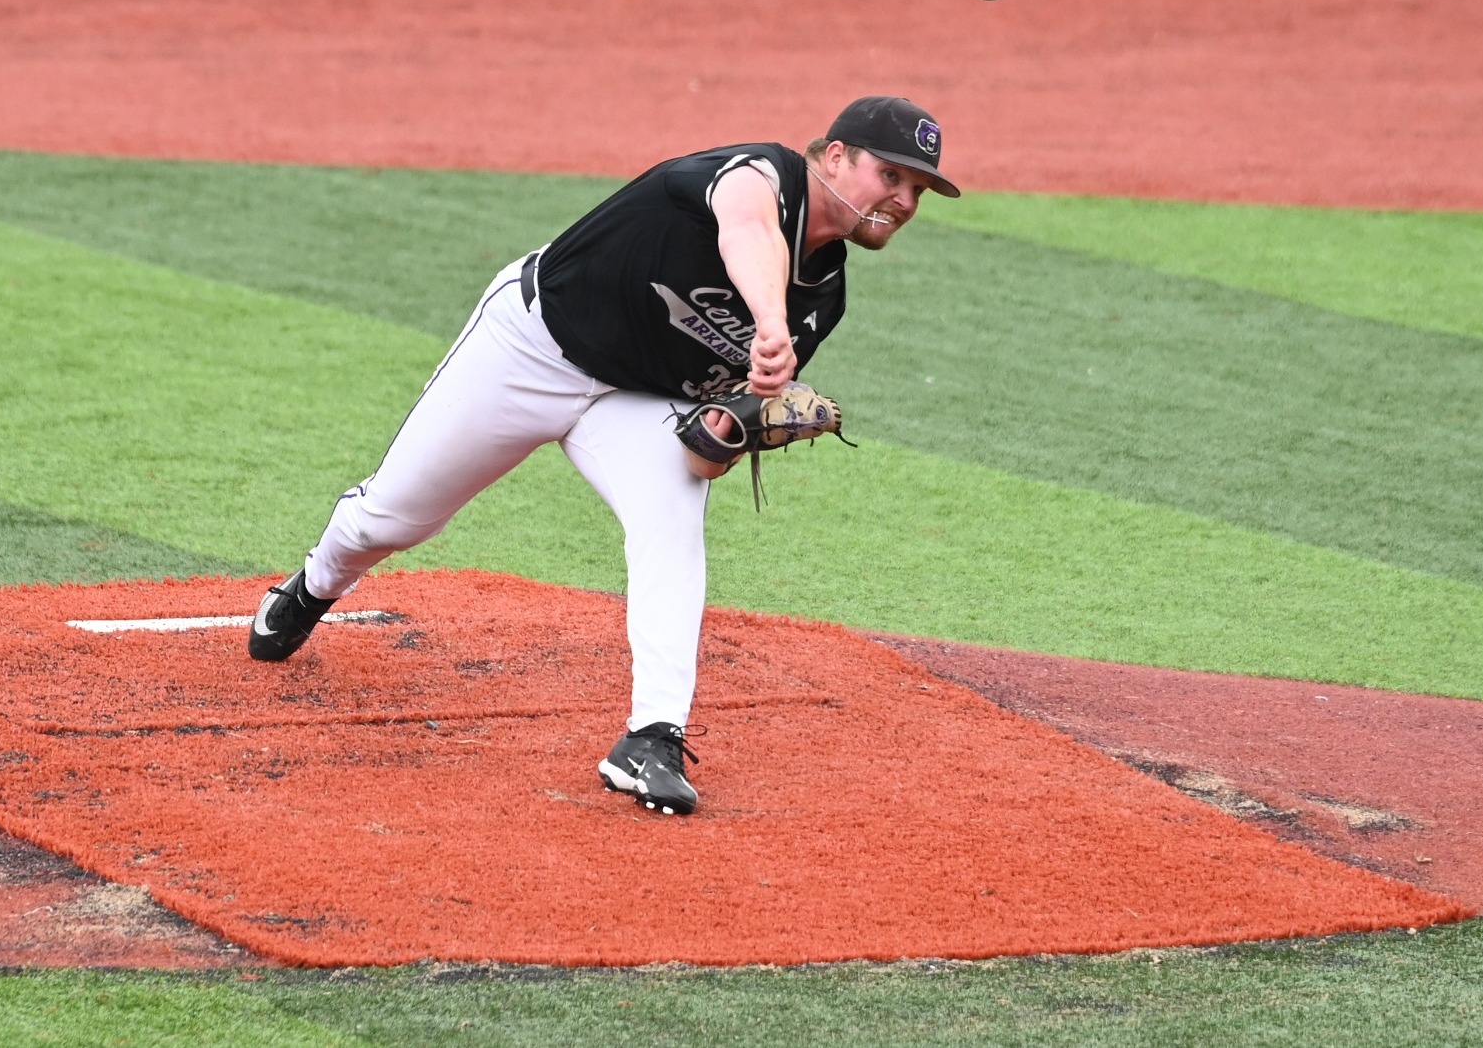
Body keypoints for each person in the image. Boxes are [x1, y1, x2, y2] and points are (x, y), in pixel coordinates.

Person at [249, 96, 959, 816]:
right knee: (391, 520)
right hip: (532, 347)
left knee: (673, 527)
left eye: (918, 190)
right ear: (834, 157)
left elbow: (708, 450)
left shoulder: (824, 298)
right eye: (891, 175)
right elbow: (746, 226)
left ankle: (652, 736)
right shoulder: (758, 174)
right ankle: (315, 584)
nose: (902, 200)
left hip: (636, 403)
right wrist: (769, 323)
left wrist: (723, 431)